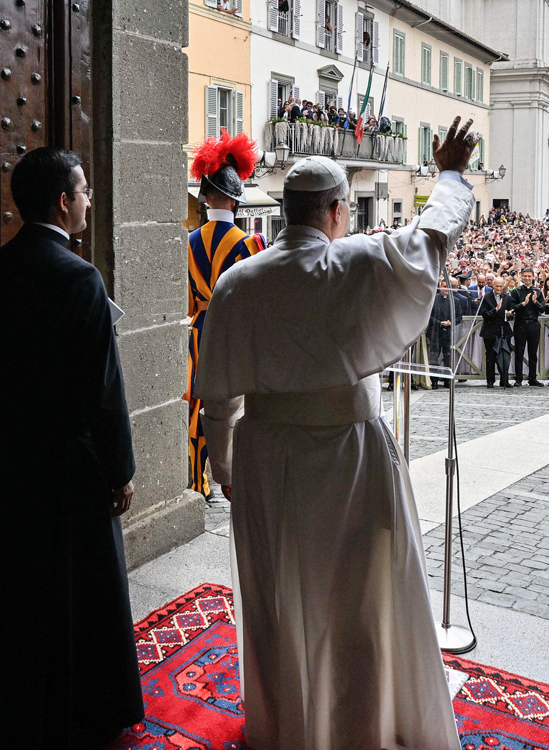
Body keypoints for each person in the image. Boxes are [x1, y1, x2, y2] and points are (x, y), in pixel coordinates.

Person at [194, 118, 481, 750]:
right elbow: (433, 233)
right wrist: (451, 173)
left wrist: (227, 470)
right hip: (350, 458)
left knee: (280, 595)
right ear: (334, 212)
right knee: (357, 598)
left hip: (267, 457)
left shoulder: (238, 282)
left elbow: (217, 397)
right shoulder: (358, 262)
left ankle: (286, 725)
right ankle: (359, 727)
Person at [0, 147, 142, 746]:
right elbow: (104, 390)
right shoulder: (79, 276)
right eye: (85, 190)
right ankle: (91, 702)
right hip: (74, 456)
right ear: (63, 202)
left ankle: (27, 698)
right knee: (82, 583)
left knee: (27, 577)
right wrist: (120, 471)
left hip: (18, 448)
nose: (89, 199)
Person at [185, 132, 265, 495]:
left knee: (195, 407)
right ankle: (231, 476)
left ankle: (194, 478)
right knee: (230, 411)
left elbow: (186, 302)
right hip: (230, 335)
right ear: (234, 202)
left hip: (196, 332)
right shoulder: (249, 243)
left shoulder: (187, 241)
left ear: (205, 198)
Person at [507, 268, 544, 386]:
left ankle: (532, 377)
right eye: (525, 276)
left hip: (533, 324)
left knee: (533, 352)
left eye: (529, 276)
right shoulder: (516, 291)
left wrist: (535, 302)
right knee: (519, 352)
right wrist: (524, 303)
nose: (527, 278)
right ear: (522, 276)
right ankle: (518, 378)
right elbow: (512, 308)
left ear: (533, 277)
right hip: (520, 324)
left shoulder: (537, 291)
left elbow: (543, 308)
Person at [479, 275, 512, 387]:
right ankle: (490, 381)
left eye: (500, 286)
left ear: (503, 286)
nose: (498, 288)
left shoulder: (507, 297)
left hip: (504, 331)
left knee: (505, 356)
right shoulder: (486, 297)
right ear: (493, 285)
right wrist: (495, 310)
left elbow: (511, 313)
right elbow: (484, 314)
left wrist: (509, 314)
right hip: (490, 332)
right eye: (496, 286)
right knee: (490, 357)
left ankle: (504, 380)